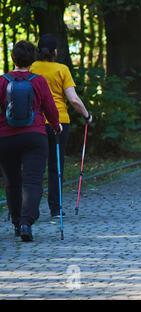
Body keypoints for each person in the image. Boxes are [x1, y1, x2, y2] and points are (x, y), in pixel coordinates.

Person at [0, 41, 61, 242]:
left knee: (12, 182)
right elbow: (50, 107)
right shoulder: (39, 81)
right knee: (33, 180)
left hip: (6, 137)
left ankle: (17, 223)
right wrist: (56, 124)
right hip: (34, 136)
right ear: (32, 59)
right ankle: (27, 222)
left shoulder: (2, 81)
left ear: (13, 58)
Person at [30, 34, 92, 219]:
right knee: (56, 165)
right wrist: (87, 115)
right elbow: (73, 99)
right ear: (55, 51)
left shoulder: (31, 68)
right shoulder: (62, 69)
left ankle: (31, 209)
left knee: (35, 166)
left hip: (36, 122)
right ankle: (55, 209)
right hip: (59, 123)